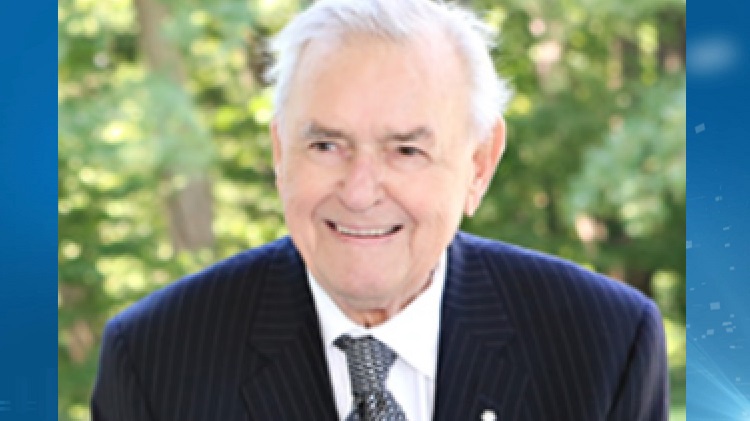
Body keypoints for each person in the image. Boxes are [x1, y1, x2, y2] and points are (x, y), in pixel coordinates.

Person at [91, 0, 668, 420]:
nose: (360, 191)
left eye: (406, 151)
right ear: (280, 153)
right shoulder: (154, 359)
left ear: (479, 164)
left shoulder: (605, 347)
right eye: (326, 146)